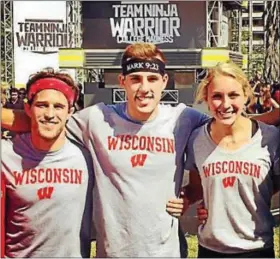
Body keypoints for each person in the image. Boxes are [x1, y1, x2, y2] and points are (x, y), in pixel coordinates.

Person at [2, 44, 279, 257]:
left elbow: (233, 122)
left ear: (164, 82)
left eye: (151, 78)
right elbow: (45, 119)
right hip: (113, 254)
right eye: (135, 78)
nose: (144, 88)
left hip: (167, 253)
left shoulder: (184, 119)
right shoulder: (96, 119)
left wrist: (189, 196)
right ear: (122, 82)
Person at [167, 61, 280, 258]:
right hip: (210, 249)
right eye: (217, 96)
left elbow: (274, 184)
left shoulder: (269, 138)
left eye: (233, 95)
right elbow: (197, 187)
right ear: (207, 99)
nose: (225, 104)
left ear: (246, 96)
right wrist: (187, 198)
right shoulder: (197, 139)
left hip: (257, 248)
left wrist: (245, 200)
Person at [1, 70, 94, 257]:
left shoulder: (89, 157)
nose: (50, 114)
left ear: (70, 112)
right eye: (42, 105)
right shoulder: (6, 154)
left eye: (58, 106)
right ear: (28, 109)